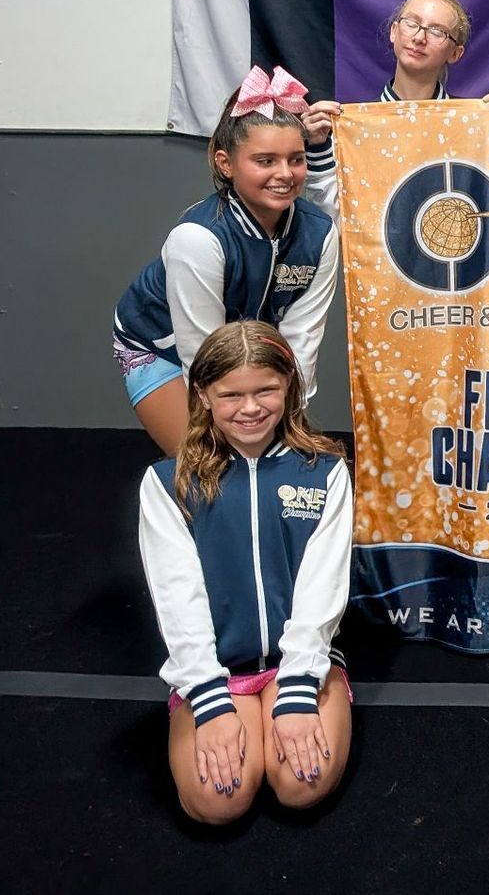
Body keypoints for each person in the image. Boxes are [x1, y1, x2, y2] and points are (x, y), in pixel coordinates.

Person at [136, 321, 353, 824]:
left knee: (303, 785)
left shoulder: (324, 472)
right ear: (204, 395)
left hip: (299, 663)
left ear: (289, 388)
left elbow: (324, 588)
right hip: (215, 671)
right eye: (231, 394)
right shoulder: (167, 483)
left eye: (266, 390)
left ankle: (287, 700)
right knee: (218, 802)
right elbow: (177, 596)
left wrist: (297, 692)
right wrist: (210, 704)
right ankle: (233, 711)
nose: (250, 407)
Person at [113, 67, 339, 452]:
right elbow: (200, 353)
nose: (284, 174)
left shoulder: (320, 235)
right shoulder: (199, 239)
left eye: (296, 159)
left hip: (251, 356)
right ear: (225, 164)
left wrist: (287, 420)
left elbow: (302, 342)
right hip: (164, 350)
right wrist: (236, 432)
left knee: (273, 461)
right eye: (265, 161)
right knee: (212, 465)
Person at [299, 0, 489, 185]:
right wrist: (318, 146)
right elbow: (334, 214)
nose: (419, 37)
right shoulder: (350, 128)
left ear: (455, 53)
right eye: (412, 23)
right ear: (394, 32)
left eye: (437, 31)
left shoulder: (472, 123)